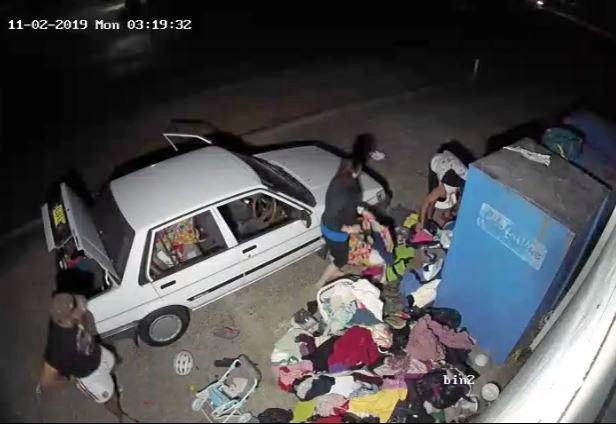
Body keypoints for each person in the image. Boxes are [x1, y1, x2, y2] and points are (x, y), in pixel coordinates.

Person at [38, 293, 136, 422]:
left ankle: (112, 385)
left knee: (112, 367)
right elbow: (47, 382)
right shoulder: (57, 348)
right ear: (67, 317)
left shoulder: (71, 319)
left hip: (98, 354)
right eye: (78, 309)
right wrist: (71, 380)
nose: (83, 309)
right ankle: (121, 416)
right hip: (90, 376)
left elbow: (85, 328)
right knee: (111, 399)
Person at [315, 157, 364, 288]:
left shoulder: (339, 181)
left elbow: (349, 206)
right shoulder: (342, 192)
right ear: (354, 171)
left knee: (336, 251)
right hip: (335, 231)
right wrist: (348, 229)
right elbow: (333, 217)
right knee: (342, 259)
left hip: (328, 227)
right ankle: (321, 282)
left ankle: (335, 271)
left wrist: (362, 211)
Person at [418, 147, 468, 231]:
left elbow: (456, 199)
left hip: (452, 166)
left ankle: (445, 214)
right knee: (431, 199)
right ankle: (429, 219)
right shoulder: (440, 191)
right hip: (437, 161)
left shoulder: (465, 185)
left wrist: (449, 212)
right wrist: (421, 223)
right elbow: (425, 203)